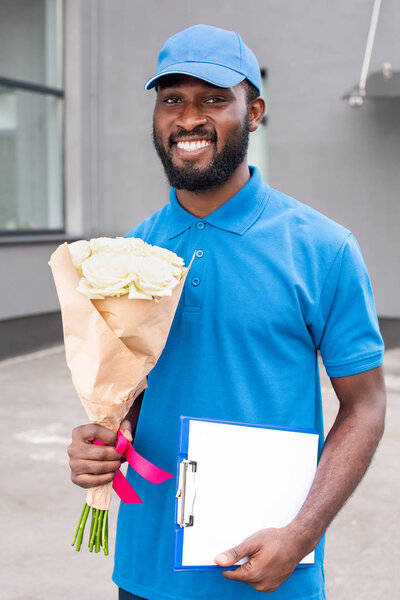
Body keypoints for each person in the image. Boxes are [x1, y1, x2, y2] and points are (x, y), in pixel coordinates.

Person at [68, 24, 386, 600]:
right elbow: (127, 399)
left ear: (255, 111)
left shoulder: (322, 248)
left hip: (267, 571)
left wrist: (303, 533)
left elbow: (364, 407)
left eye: (214, 99)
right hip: (146, 572)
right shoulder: (128, 254)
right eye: (172, 100)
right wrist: (100, 443)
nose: (189, 118)